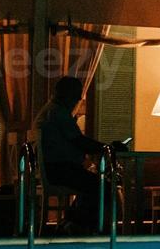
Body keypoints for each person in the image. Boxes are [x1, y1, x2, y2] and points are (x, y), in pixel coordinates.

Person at [39, 76, 117, 233]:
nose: (78, 99)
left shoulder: (49, 110)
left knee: (91, 185)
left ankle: (72, 221)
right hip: (61, 170)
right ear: (68, 94)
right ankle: (81, 226)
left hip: (53, 168)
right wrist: (108, 148)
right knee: (104, 187)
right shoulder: (59, 113)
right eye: (76, 95)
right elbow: (78, 141)